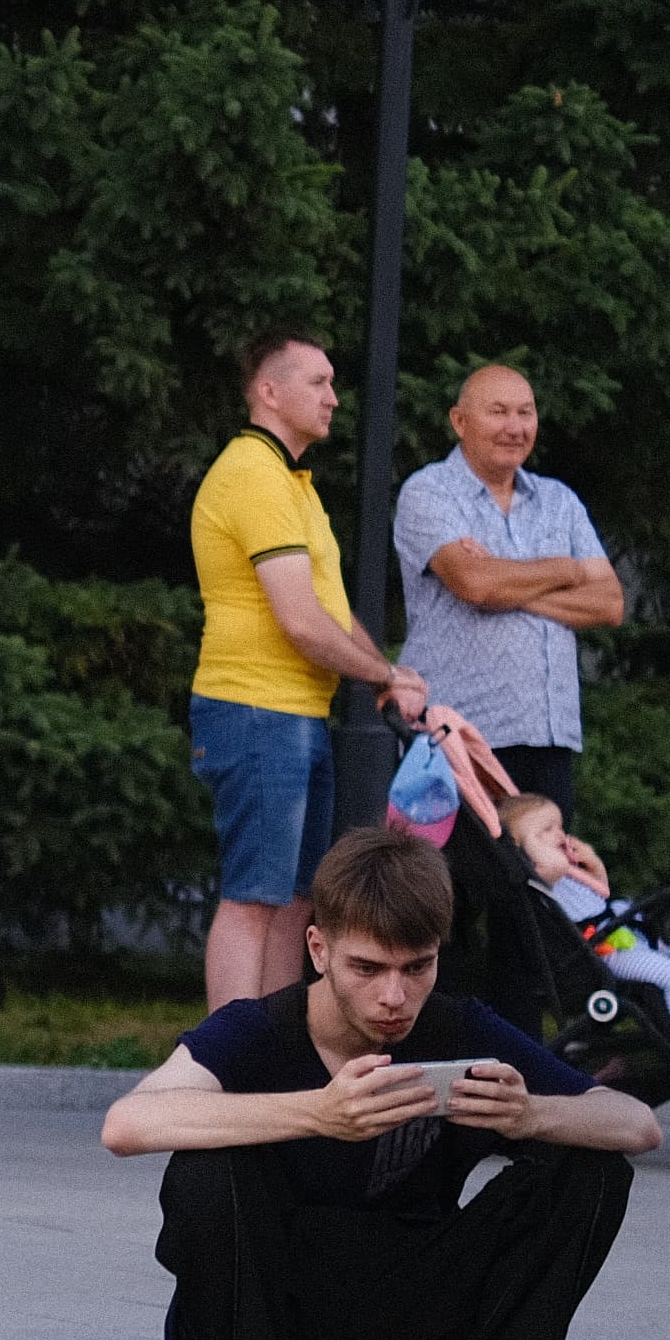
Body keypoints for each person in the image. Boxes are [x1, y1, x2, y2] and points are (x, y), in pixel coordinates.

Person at [102, 827, 658, 1340]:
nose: (395, 994)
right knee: (211, 1157)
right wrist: (317, 1112)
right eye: (367, 967)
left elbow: (636, 1124)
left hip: (405, 1323)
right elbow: (126, 1124)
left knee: (590, 1167)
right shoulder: (258, 1031)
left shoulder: (459, 1027)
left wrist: (530, 1112)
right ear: (318, 950)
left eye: (416, 966)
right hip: (254, 1322)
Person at [190, 333, 455, 1010]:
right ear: (268, 392)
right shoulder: (252, 472)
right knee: (253, 897)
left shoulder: (293, 483)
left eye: (333, 381)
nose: (334, 396)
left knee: (297, 901)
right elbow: (299, 621)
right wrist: (384, 675)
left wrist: (382, 671)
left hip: (294, 712)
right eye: (317, 381)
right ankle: (223, 1065)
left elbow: (329, 612)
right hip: (254, 709)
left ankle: (277, 1057)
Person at [393, 364, 620, 815]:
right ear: (460, 421)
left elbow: (610, 603)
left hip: (547, 735)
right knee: (458, 881)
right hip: (459, 735)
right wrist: (564, 568)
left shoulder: (560, 501)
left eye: (526, 413)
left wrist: (506, 582)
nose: (515, 428)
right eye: (498, 412)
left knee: (542, 881)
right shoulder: (430, 491)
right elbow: (474, 584)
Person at [498, 794, 670, 1084]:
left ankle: (667, 959)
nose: (560, 834)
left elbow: (599, 895)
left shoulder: (562, 873)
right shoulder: (541, 875)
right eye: (546, 830)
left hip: (610, 938)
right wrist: (521, 844)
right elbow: (550, 865)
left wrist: (592, 863)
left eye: (559, 826)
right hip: (602, 954)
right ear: (520, 846)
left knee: (638, 917)